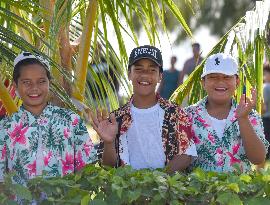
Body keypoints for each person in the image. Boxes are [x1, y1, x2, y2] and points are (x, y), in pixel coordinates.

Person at [88, 45, 197, 173]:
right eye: (139, 69)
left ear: (160, 76)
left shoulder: (176, 113)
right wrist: (109, 142)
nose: (145, 75)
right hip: (127, 192)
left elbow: (185, 155)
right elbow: (108, 166)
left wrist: (155, 183)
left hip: (167, 190)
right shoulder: (116, 118)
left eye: (152, 70)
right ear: (129, 74)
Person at [0, 52, 96, 186]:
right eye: (26, 82)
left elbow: (87, 172)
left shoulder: (72, 122)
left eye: (41, 81)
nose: (34, 88)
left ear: (49, 83)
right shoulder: (5, 128)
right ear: (15, 86)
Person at [185, 53, 269, 172]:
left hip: (239, 189)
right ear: (203, 82)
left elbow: (258, 158)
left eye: (227, 77)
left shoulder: (251, 116)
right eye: (213, 77)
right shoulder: (188, 115)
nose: (220, 82)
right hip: (198, 190)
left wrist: (243, 119)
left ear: (237, 82)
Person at [263, 61, 270, 158]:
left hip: (267, 121)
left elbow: (263, 108)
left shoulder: (266, 87)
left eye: (265, 74)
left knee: (263, 152)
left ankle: (259, 173)